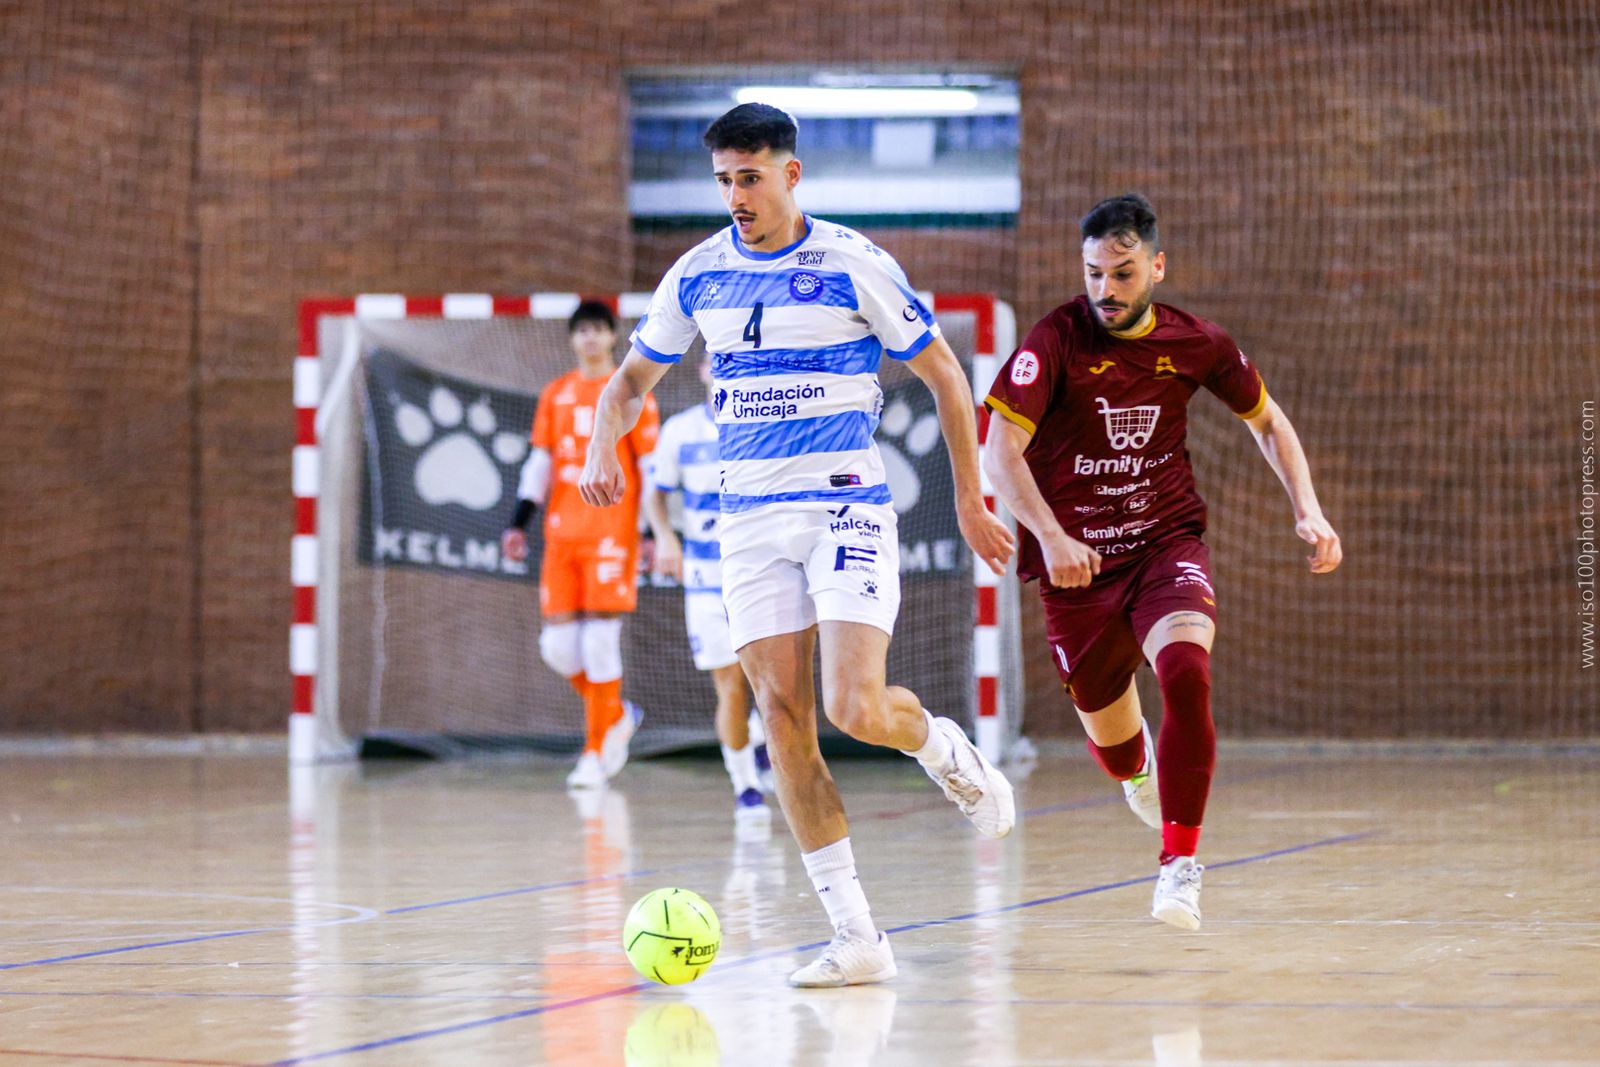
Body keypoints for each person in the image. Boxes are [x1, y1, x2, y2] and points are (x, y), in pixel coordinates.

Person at [578, 103, 1016, 987]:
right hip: (745, 522)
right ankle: (858, 936)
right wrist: (600, 440)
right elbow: (629, 381)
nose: (736, 196)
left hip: (845, 505)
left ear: (791, 174)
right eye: (724, 181)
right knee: (782, 719)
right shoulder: (697, 274)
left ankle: (940, 747)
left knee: (854, 706)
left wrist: (971, 496)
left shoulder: (854, 262)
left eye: (750, 177)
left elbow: (945, 378)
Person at [981, 193, 1343, 930]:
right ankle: (1139, 766)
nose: (1105, 291)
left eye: (1120, 274)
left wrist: (1308, 505)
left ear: (1156, 265)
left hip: (1162, 544)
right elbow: (999, 453)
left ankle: (1180, 867)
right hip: (1077, 568)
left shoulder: (1197, 341)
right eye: (1093, 274)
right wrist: (1051, 536)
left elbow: (1268, 421)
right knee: (1116, 754)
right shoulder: (1054, 340)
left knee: (1186, 671)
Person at [502, 300, 660, 790]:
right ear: (572, 339)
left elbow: (651, 471)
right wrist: (517, 523)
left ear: (613, 337)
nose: (590, 338)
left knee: (599, 642)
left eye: (598, 330)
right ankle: (615, 713)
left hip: (611, 535)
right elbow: (540, 464)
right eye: (582, 331)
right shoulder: (556, 394)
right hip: (561, 536)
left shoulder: (633, 392)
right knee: (557, 648)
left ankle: (594, 752)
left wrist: (654, 533)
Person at [644, 356, 774, 826]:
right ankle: (746, 787)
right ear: (703, 371)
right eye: (716, 364)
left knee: (769, 682)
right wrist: (664, 538)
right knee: (729, 685)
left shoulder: (765, 424)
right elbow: (655, 493)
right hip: (703, 578)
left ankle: (759, 738)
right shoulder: (679, 431)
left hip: (760, 572)